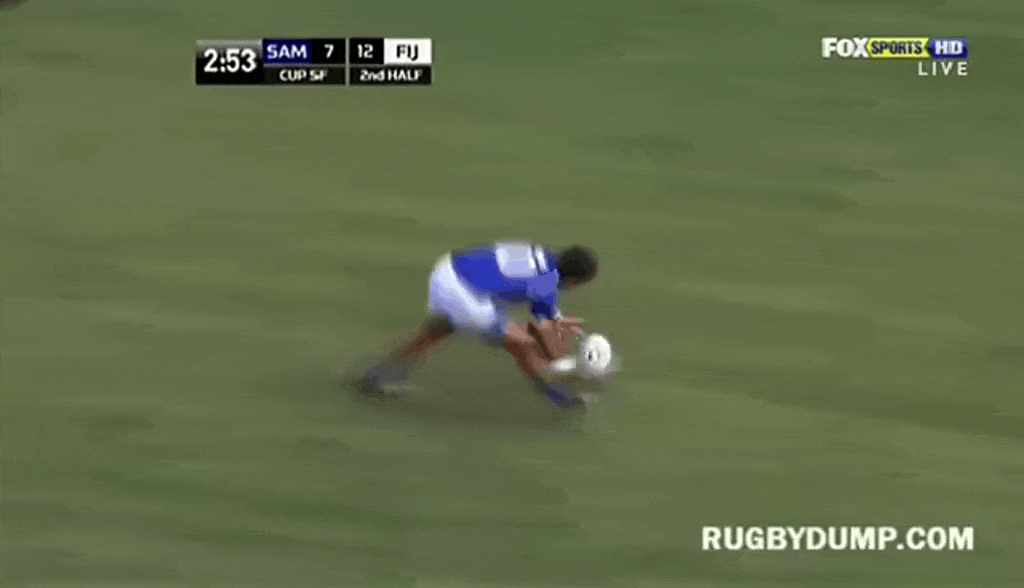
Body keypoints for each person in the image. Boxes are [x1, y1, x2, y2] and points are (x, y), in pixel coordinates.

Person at [358, 241, 599, 409]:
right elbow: (548, 337)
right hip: (464, 295)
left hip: (448, 269)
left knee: (438, 332)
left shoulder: (541, 253)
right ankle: (558, 397)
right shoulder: (547, 284)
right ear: (575, 279)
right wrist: (583, 363)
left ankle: (375, 377)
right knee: (524, 344)